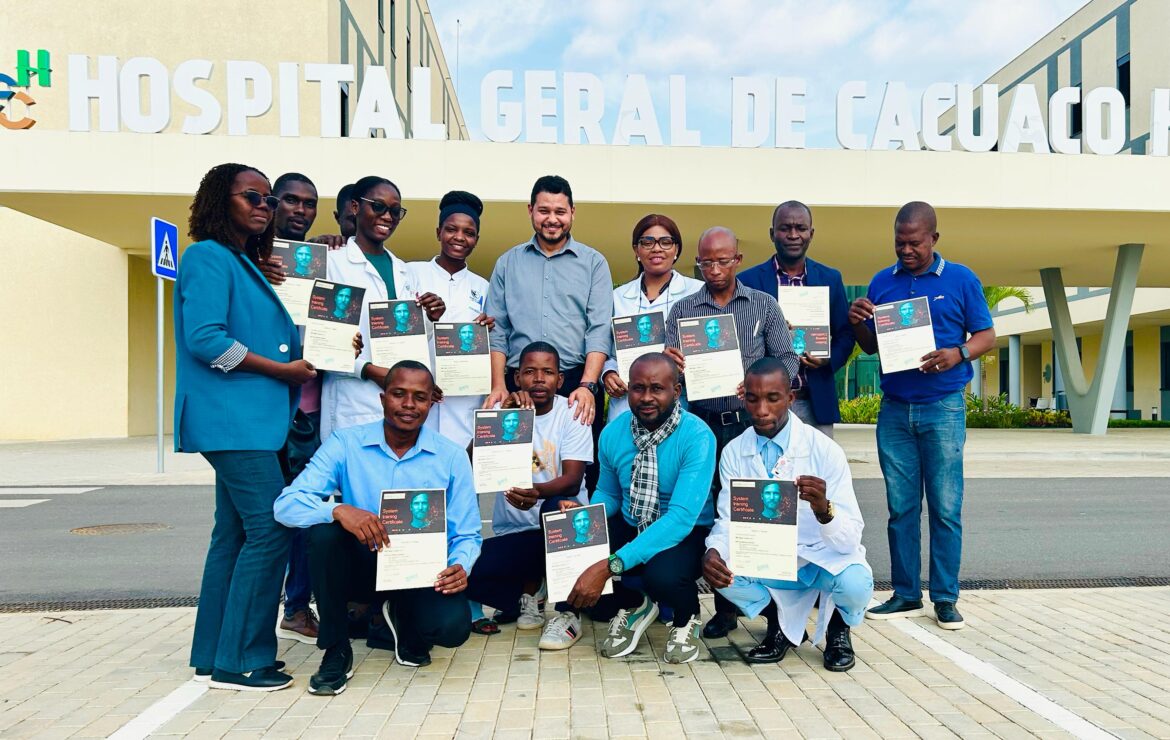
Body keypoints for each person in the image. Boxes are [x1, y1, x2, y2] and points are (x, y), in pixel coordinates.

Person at [175, 163, 314, 691]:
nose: (264, 206)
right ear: (220, 201)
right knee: (271, 528)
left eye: (268, 198)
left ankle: (214, 652)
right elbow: (206, 340)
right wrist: (282, 370)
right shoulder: (207, 256)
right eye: (250, 196)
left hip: (251, 422)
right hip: (233, 421)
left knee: (232, 534)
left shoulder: (243, 261)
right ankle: (242, 660)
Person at [274, 361, 482, 695]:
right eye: (399, 394)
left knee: (451, 629)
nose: (409, 404)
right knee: (324, 533)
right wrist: (338, 509)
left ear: (431, 403)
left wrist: (460, 565)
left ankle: (398, 617)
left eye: (420, 397)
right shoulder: (345, 443)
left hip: (419, 572)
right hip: (362, 566)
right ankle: (336, 649)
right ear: (383, 399)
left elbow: (467, 533)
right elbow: (286, 505)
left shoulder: (451, 456)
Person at [849, 201, 995, 630]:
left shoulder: (961, 279)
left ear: (934, 238)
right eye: (900, 242)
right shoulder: (882, 282)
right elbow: (870, 346)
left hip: (943, 406)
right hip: (895, 408)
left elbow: (986, 334)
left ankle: (945, 597)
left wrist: (958, 353)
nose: (906, 250)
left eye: (915, 242)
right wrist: (858, 322)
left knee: (946, 507)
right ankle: (906, 594)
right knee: (901, 508)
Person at [663, 226, 800, 640]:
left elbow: (788, 360)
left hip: (751, 424)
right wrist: (672, 366)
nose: (715, 269)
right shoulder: (683, 310)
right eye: (706, 262)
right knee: (711, 514)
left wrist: (760, 385)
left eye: (723, 260)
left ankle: (778, 611)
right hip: (702, 424)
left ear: (737, 260)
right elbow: (670, 379)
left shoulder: (763, 305)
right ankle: (725, 608)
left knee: (757, 512)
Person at [703, 358, 872, 671]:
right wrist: (714, 550)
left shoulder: (824, 450)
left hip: (821, 557)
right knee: (722, 574)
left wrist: (824, 510)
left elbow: (850, 539)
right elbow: (728, 520)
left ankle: (838, 630)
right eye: (752, 399)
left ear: (790, 398)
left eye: (773, 398)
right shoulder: (734, 451)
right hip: (770, 558)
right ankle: (779, 624)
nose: (761, 410)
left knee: (856, 583)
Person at [562, 353, 716, 665]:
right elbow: (609, 493)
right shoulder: (613, 433)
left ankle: (687, 617)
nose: (646, 398)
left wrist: (609, 566)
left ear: (676, 391)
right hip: (634, 518)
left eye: (657, 388)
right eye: (638, 388)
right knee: (574, 540)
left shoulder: (697, 436)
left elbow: (680, 518)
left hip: (685, 530)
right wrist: (586, 516)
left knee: (662, 574)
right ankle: (635, 603)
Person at [483, 175, 613, 488]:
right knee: (516, 470)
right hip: (520, 384)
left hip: (574, 384)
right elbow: (497, 330)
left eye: (560, 211)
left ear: (572, 213)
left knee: (576, 477)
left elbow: (598, 329)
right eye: (544, 211)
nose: (552, 219)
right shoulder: (507, 263)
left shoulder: (594, 263)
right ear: (530, 210)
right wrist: (499, 384)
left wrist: (587, 385)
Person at [464, 342, 592, 643]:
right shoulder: (504, 411)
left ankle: (568, 613)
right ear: (517, 377)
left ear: (560, 380)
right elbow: (468, 465)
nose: (538, 379)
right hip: (517, 531)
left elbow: (572, 481)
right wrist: (499, 418)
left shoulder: (571, 411)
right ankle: (526, 593)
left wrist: (536, 492)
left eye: (547, 372)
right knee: (464, 570)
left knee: (555, 505)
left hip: (565, 530)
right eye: (530, 372)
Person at [321, 175, 446, 441]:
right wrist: (369, 370)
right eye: (378, 206)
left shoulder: (403, 270)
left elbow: (408, 339)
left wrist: (430, 319)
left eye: (395, 211)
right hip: (353, 399)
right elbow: (321, 345)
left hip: (398, 403)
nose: (387, 216)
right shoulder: (333, 264)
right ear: (355, 207)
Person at [739, 201, 855, 438]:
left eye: (800, 228)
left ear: (811, 233)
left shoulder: (830, 278)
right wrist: (772, 331)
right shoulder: (748, 281)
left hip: (815, 401)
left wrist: (827, 360)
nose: (793, 235)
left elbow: (845, 335)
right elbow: (741, 338)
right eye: (785, 228)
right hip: (764, 403)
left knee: (816, 463)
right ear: (772, 233)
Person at [408, 190, 493, 449]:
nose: (459, 237)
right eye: (451, 229)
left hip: (464, 402)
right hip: (418, 394)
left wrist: (488, 330)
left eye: (469, 233)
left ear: (476, 240)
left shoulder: (484, 287)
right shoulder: (410, 273)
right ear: (438, 232)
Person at [602, 214, 703, 421]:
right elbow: (605, 349)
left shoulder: (698, 292)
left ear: (676, 249)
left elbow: (710, 350)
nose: (657, 248)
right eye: (647, 242)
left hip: (679, 405)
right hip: (625, 405)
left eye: (665, 242)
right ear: (636, 250)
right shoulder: (617, 297)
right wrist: (608, 373)